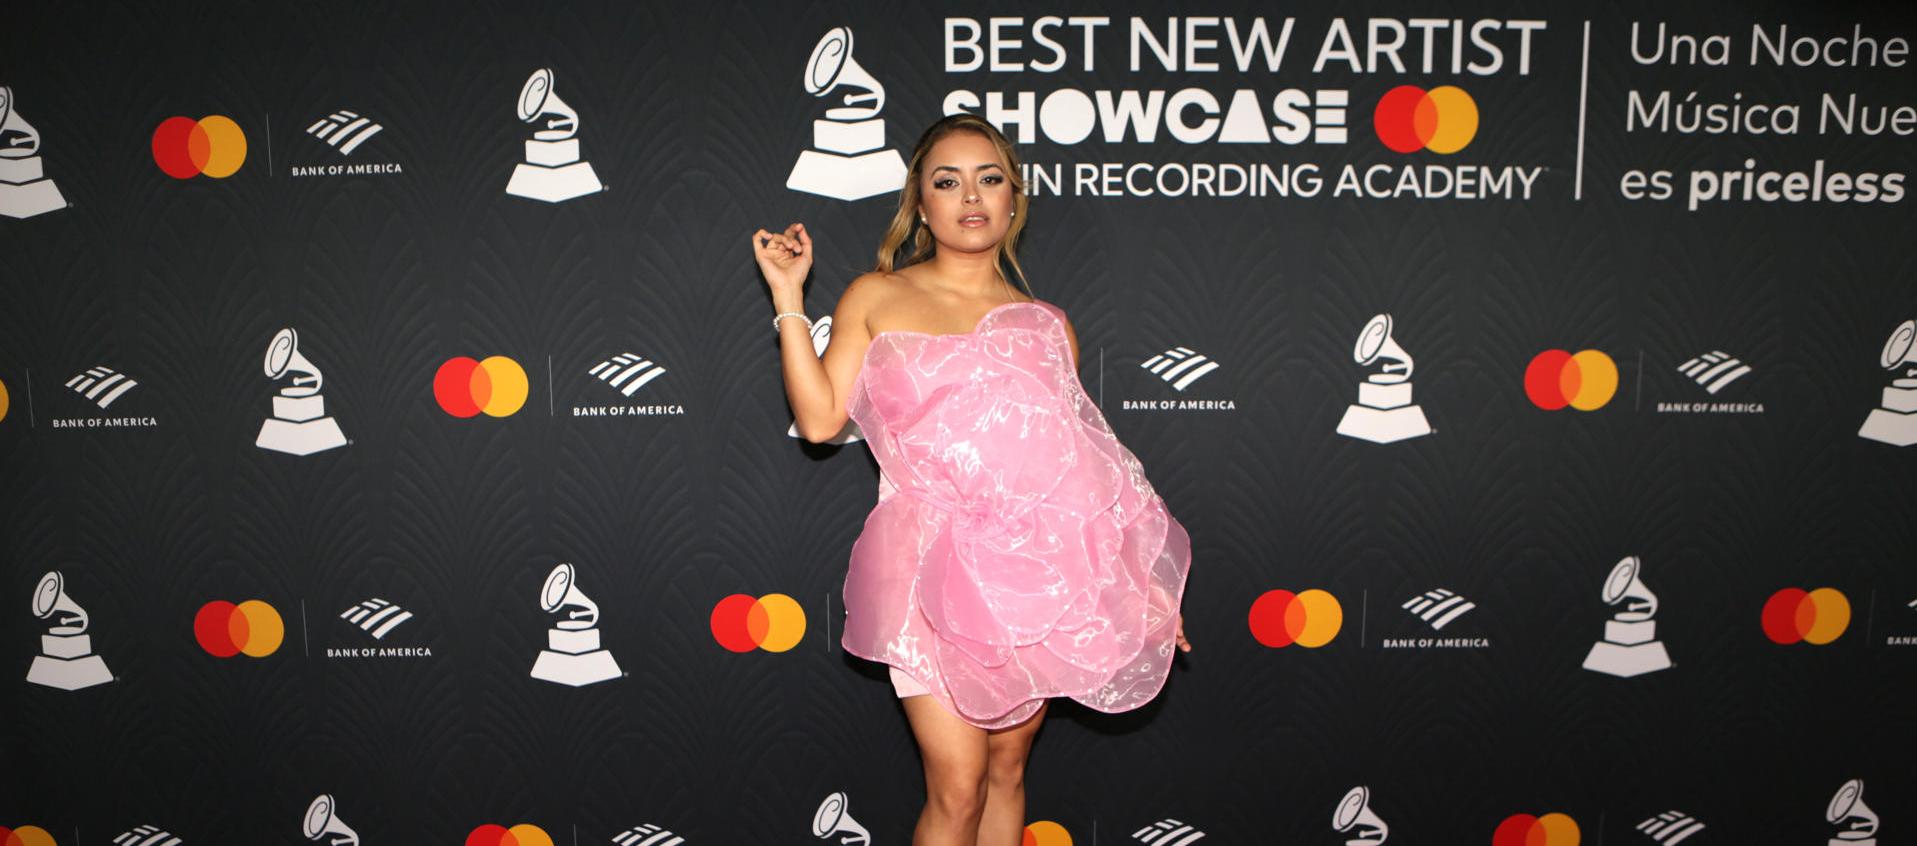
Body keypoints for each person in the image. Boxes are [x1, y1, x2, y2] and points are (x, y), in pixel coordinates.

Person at [752, 113, 1193, 846]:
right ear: (919, 204)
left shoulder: (1045, 323)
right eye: (947, 181)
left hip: (1030, 572)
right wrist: (789, 299)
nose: (970, 197)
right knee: (955, 787)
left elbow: (1083, 467)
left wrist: (1139, 583)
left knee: (1008, 772)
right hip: (923, 561)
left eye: (989, 178)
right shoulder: (874, 295)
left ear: (1013, 198)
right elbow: (823, 420)